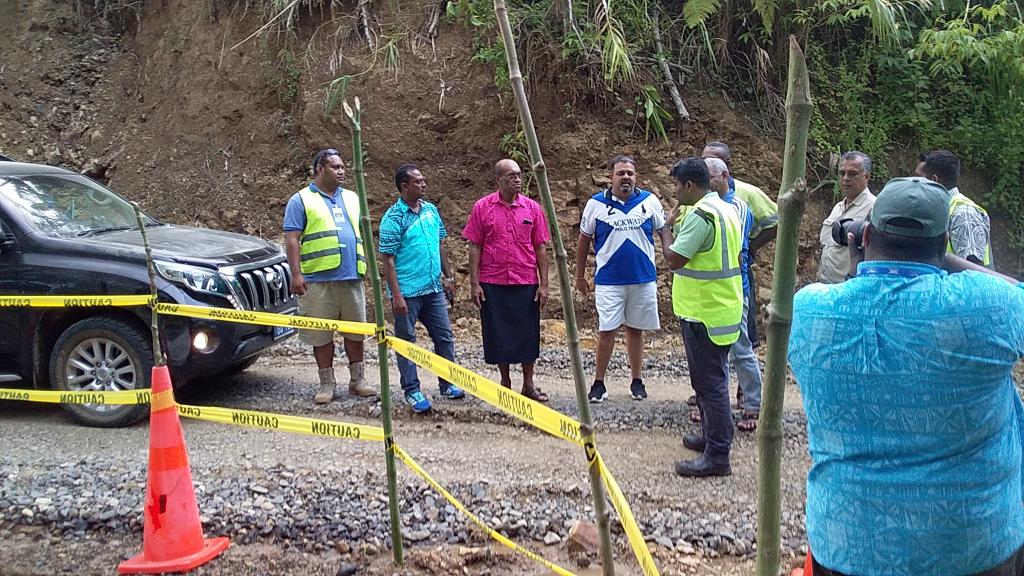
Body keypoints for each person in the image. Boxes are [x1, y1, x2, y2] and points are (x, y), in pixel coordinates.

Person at [790, 176, 1024, 576]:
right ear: (943, 243)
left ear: (865, 234)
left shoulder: (811, 309)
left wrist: (858, 270)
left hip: (848, 543)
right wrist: (947, 260)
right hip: (970, 545)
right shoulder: (985, 307)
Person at [665, 158, 744, 477]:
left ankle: (718, 454)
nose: (674, 192)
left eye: (675, 186)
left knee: (711, 384)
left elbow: (674, 259)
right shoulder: (727, 208)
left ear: (689, 186)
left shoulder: (701, 215)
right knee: (711, 380)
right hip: (723, 307)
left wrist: (665, 229)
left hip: (704, 313)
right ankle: (713, 438)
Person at [575, 155, 671, 403]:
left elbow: (664, 231)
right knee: (606, 330)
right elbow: (584, 240)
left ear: (636, 176)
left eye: (630, 173)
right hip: (609, 279)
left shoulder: (649, 201)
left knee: (635, 330)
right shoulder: (595, 204)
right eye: (621, 173)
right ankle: (598, 383)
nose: (626, 177)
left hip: (642, 277)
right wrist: (579, 275)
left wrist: (671, 259)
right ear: (611, 177)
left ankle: (637, 380)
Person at [283, 148, 376, 404]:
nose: (342, 171)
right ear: (319, 170)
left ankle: (358, 380)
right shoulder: (300, 200)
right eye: (335, 167)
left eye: (343, 166)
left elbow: (360, 233)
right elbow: (292, 239)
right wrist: (296, 274)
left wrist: (366, 267)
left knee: (355, 332)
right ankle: (327, 383)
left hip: (350, 277)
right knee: (321, 336)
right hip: (317, 280)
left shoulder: (353, 198)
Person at [379, 164, 466, 414]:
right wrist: (396, 294)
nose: (424, 184)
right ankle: (412, 390)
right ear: (404, 186)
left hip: (433, 288)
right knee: (406, 341)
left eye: (423, 180)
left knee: (444, 337)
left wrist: (448, 278)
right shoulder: (393, 218)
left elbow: (440, 245)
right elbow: (388, 259)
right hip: (407, 291)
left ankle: (447, 383)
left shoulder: (430, 210)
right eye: (418, 182)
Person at [464, 159, 551, 402]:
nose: (517, 179)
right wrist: (474, 283)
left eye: (520, 175)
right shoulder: (482, 208)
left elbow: (541, 247)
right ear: (498, 180)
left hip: (525, 281)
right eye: (511, 175)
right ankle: (504, 381)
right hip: (493, 280)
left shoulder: (532, 209)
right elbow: (475, 245)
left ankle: (528, 383)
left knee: (527, 333)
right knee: (497, 333)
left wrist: (544, 284)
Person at [703, 157, 762, 432]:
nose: (706, 183)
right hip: (709, 290)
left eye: (710, 178)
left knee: (740, 348)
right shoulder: (703, 204)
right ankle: (715, 408)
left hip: (735, 289)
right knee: (711, 352)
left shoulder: (738, 207)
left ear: (724, 176)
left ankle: (752, 403)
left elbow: (731, 249)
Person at [915, 149, 993, 268]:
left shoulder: (964, 214)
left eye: (919, 178)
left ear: (934, 180)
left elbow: (972, 272)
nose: (914, 183)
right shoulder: (939, 210)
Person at [818, 151, 875, 283]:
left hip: (848, 287)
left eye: (853, 174)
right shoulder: (838, 207)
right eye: (842, 173)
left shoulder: (874, 208)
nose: (846, 178)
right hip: (825, 284)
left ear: (867, 177)